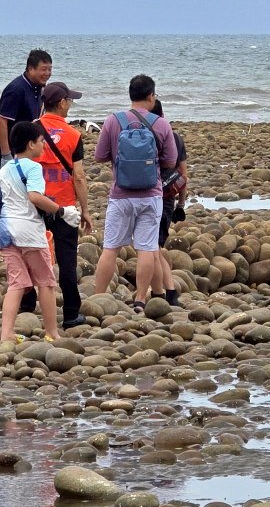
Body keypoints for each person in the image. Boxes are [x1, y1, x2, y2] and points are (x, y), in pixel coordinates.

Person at [92, 75, 178, 310]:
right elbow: (170, 161)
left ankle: (98, 298)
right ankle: (140, 299)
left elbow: (99, 156)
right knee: (147, 248)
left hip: (120, 195)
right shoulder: (161, 124)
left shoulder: (112, 121)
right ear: (151, 96)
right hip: (151, 195)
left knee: (110, 248)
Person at [0, 121, 80, 343]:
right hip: (29, 231)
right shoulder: (34, 168)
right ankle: (52, 332)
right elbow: (35, 196)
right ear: (31, 144)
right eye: (42, 141)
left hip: (6, 231)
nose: (44, 145)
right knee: (46, 282)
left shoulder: (4, 170)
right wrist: (61, 211)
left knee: (17, 284)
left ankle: (6, 333)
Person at [35, 82, 94, 328]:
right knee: (67, 259)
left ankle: (27, 304)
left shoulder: (31, 129)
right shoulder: (73, 135)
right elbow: (78, 176)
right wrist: (86, 210)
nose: (70, 105)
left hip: (35, 202)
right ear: (61, 103)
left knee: (32, 254)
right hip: (64, 206)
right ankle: (71, 312)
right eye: (69, 100)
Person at [0, 49, 53, 237]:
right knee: (0, 194)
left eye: (50, 69)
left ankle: (17, 233)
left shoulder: (38, 88)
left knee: (21, 192)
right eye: (43, 69)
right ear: (30, 69)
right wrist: (5, 155)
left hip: (22, 151)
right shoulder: (16, 89)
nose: (47, 73)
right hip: (3, 149)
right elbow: (1, 121)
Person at [152, 101, 188, 308]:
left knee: (150, 248)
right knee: (155, 247)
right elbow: (183, 176)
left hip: (140, 195)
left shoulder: (136, 133)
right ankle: (165, 292)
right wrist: (181, 206)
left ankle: (164, 291)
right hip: (166, 197)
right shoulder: (174, 138)